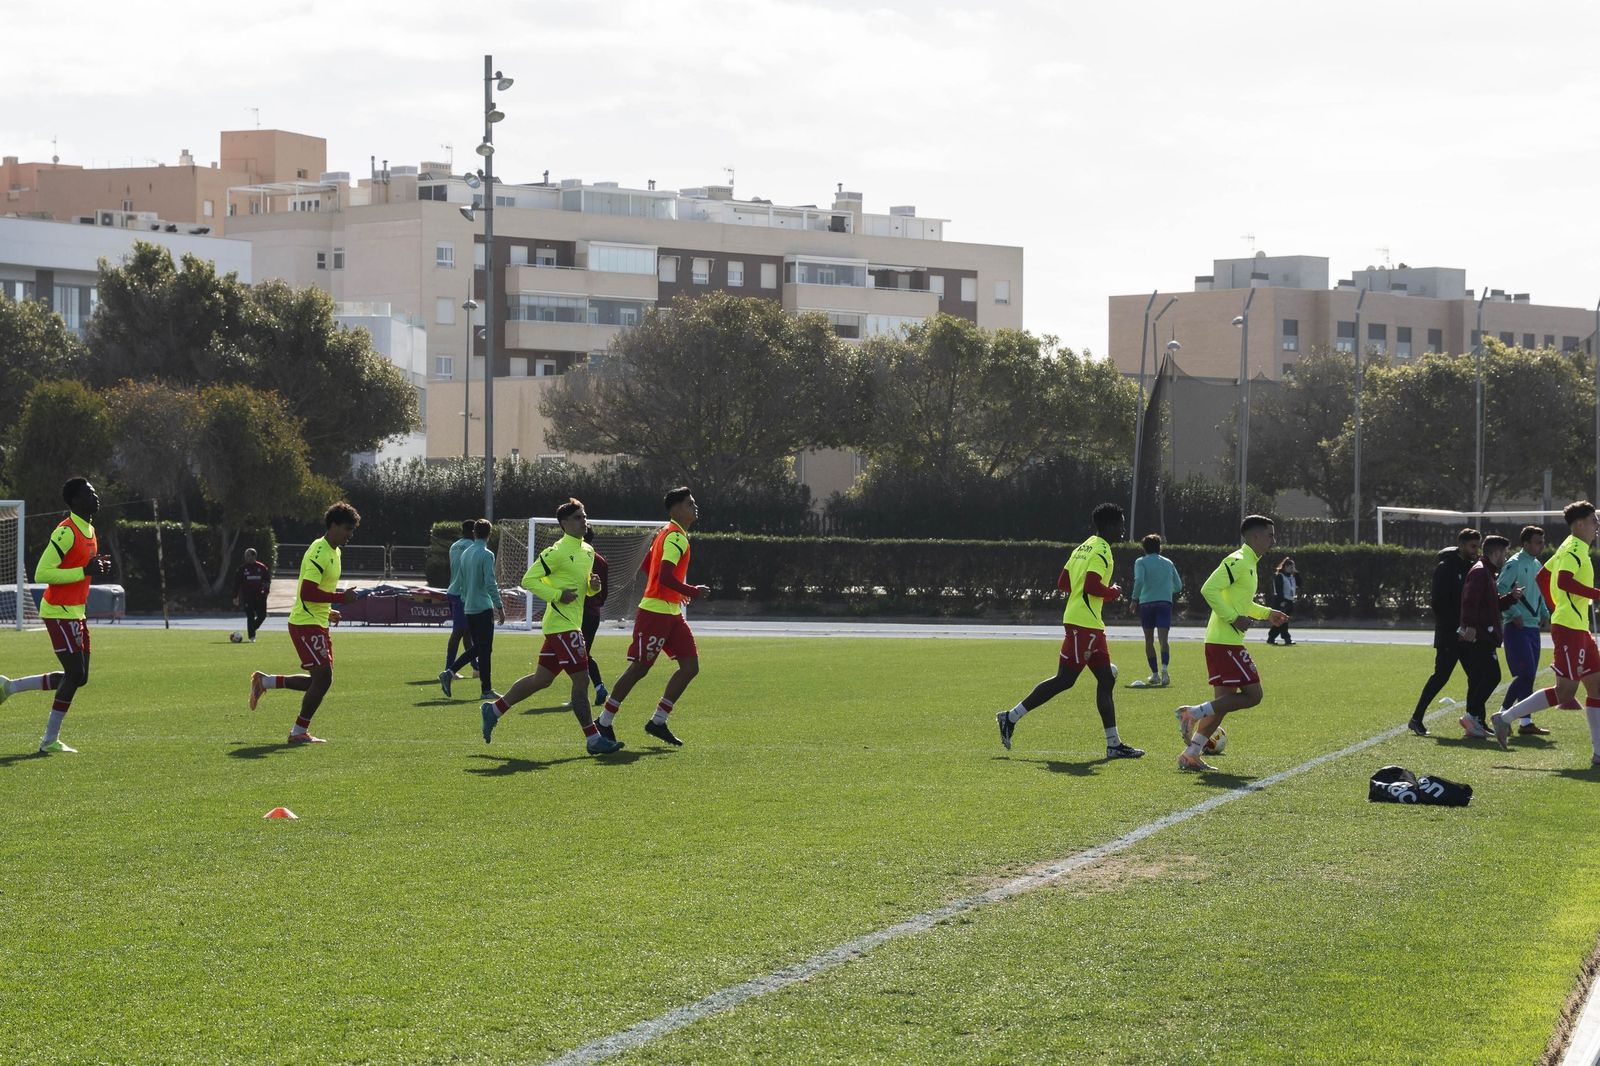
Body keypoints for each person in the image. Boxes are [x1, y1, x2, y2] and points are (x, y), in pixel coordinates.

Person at [995, 502, 1145, 759]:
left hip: (1090, 624)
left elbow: (1063, 582)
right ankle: (1010, 717)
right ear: (1109, 525)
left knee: (1107, 679)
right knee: (1065, 679)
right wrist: (1113, 592)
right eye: (1120, 524)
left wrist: (1083, 598)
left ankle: (1113, 744)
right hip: (1083, 625)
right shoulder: (1102, 550)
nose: (1122, 529)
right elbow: (1091, 585)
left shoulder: (1083, 547)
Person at [479, 499, 623, 755]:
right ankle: (593, 738)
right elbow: (529, 580)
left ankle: (494, 709)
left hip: (569, 624)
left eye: (584, 516)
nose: (583, 520)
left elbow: (584, 587)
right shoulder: (555, 552)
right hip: (562, 626)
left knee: (541, 679)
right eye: (578, 517)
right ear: (564, 524)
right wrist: (556, 595)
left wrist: (593, 586)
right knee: (581, 681)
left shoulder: (587, 552)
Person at [0, 477, 111, 753]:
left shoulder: (89, 529)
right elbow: (42, 573)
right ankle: (49, 740)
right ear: (74, 501)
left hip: (76, 611)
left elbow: (82, 567)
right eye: (88, 493)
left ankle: (9, 688)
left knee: (79, 676)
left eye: (94, 492)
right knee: (74, 673)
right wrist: (85, 571)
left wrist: (95, 568)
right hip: (58, 610)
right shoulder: (66, 531)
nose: (95, 496)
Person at [1174, 515, 1290, 771]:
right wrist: (1232, 618)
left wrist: (1267, 613)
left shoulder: (1250, 563)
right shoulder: (1237, 560)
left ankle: (1190, 754)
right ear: (1255, 537)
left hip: (1223, 641)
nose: (1274, 540)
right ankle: (1192, 713)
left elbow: (1243, 603)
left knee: (1223, 704)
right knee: (1253, 695)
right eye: (1270, 535)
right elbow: (1208, 589)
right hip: (1224, 642)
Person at [595, 486, 709, 748]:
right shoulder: (674, 537)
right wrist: (692, 590)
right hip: (655, 612)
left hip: (670, 612)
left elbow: (649, 566)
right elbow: (665, 575)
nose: (695, 507)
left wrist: (675, 592)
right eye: (690, 503)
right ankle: (604, 720)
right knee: (639, 668)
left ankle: (658, 721)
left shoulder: (668, 534)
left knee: (690, 666)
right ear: (676, 508)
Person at [1493, 500, 1600, 762]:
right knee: (1565, 692)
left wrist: (1556, 609)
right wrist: (1595, 596)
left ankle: (1599, 752)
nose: (1597, 525)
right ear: (1580, 524)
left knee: (1597, 687)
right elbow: (1563, 581)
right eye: (1594, 521)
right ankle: (1504, 718)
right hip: (1570, 629)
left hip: (1578, 628)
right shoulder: (1574, 547)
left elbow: (1543, 578)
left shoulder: (1571, 546)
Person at [248, 502, 361, 744]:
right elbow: (307, 593)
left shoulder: (335, 551)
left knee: (318, 681)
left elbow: (316, 591)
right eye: (347, 529)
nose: (350, 534)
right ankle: (298, 732)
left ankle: (265, 681)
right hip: (305, 624)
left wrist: (328, 610)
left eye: (352, 529)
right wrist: (342, 598)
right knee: (323, 679)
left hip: (317, 621)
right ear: (333, 525)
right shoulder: (319, 552)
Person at [1405, 528, 1482, 737]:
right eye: (1473, 546)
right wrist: (1457, 628)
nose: (1476, 550)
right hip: (1450, 635)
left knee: (1477, 676)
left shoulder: (1472, 567)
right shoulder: (1445, 568)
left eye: (1478, 545)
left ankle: (1476, 721)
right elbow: (1438, 603)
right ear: (1462, 545)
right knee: (1440, 677)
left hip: (1467, 635)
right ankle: (1416, 718)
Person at [1457, 535, 1521, 737]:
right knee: (1493, 676)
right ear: (1497, 553)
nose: (1506, 556)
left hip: (1484, 632)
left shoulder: (1487, 572)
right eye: (1505, 553)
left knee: (1477, 679)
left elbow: (1490, 606)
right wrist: (1469, 626)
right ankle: (1472, 716)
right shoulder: (1480, 572)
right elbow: (1469, 600)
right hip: (1481, 635)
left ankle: (1475, 723)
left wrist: (1511, 598)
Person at [439, 519, 502, 701]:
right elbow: (490, 583)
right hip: (483, 606)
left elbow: (462, 580)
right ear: (490, 534)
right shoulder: (487, 554)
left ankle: (482, 687)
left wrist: (466, 600)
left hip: (468, 606)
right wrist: (499, 605)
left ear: (474, 533)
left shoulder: (466, 553)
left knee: (479, 647)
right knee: (484, 648)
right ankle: (453, 673)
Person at [1498, 525, 1553, 736]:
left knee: (1528, 677)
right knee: (1525, 674)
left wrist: (1546, 614)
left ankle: (1525, 722)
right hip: (1516, 628)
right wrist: (1513, 613)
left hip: (1532, 628)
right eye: (1538, 542)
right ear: (1526, 543)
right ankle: (1502, 715)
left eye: (1542, 541)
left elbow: (1539, 594)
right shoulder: (1514, 564)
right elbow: (1499, 591)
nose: (1542, 545)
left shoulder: (1537, 563)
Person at [1129, 533, 1181, 688]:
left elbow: (1139, 580)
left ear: (1144, 548)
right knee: (1163, 640)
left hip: (1146, 604)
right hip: (1165, 603)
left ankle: (1155, 674)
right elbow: (1178, 586)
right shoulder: (1168, 563)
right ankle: (1165, 668)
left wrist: (1134, 599)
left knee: (1149, 640)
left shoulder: (1141, 562)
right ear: (1160, 548)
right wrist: (1164, 590)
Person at [444, 519, 476, 679]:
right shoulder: (472, 547)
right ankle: (449, 669)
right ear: (473, 532)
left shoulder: (454, 545)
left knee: (467, 632)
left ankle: (476, 668)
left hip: (452, 590)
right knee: (458, 631)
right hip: (462, 594)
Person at [582, 526, 611, 706]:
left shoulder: (579, 557)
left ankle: (598, 687)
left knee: (580, 655)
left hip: (579, 612)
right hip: (593, 613)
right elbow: (605, 590)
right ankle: (594, 688)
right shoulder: (601, 560)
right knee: (582, 654)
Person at [232, 547, 271, 642]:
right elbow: (237, 583)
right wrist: (235, 596)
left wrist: (265, 592)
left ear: (254, 556)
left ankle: (252, 629)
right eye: (245, 555)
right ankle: (252, 637)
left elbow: (267, 581)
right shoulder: (242, 569)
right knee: (250, 616)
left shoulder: (262, 567)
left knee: (262, 616)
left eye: (248, 555)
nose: (246, 557)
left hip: (260, 596)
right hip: (248, 597)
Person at [1266, 557, 1298, 645]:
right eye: (1290, 567)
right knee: (1282, 621)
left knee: (1282, 621)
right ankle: (1287, 638)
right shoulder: (1280, 576)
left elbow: (1298, 583)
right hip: (1282, 602)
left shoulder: (1291, 577)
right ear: (1285, 567)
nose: (1292, 569)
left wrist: (1295, 573)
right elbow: (1279, 590)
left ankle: (1271, 638)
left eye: (1293, 567)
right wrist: (1282, 602)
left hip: (1289, 601)